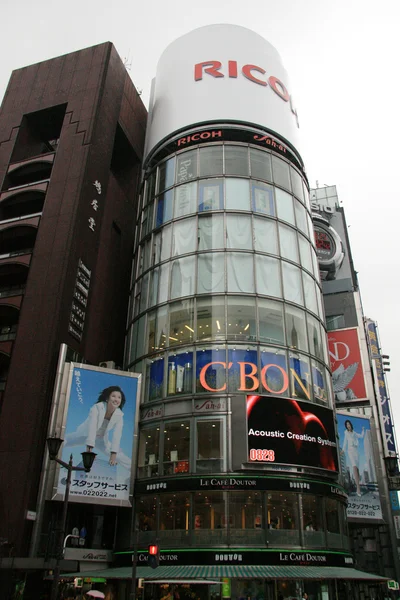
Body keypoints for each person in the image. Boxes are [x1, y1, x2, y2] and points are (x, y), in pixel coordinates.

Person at [65, 386, 131, 468]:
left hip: (101, 439)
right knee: (64, 440)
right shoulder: (97, 407)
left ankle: (134, 470)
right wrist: (89, 452)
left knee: (120, 456)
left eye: (119, 397)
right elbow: (92, 427)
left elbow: (117, 435)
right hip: (84, 435)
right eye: (113, 396)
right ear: (107, 398)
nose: (116, 399)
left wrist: (113, 454)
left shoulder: (119, 415)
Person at [341, 419, 365, 496]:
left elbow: (361, 436)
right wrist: (343, 450)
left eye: (349, 424)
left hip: (356, 452)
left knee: (357, 469)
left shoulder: (354, 433)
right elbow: (345, 442)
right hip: (350, 451)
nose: (348, 426)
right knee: (354, 467)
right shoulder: (346, 433)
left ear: (351, 425)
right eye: (347, 425)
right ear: (346, 426)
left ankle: (359, 488)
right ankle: (358, 489)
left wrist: (363, 430)